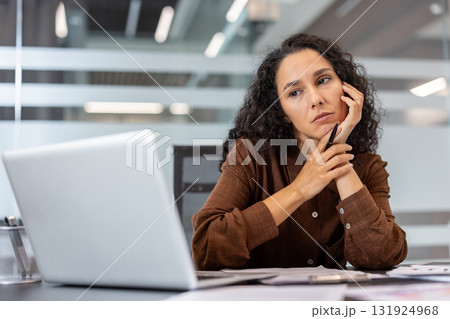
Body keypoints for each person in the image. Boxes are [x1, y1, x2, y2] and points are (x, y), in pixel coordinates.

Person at [191, 33, 407, 271]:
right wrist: (300, 189)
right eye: (294, 92)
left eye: (323, 80)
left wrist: (337, 156)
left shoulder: (367, 165)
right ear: (282, 112)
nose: (315, 99)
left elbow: (382, 255)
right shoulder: (251, 154)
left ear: (347, 89)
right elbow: (206, 248)